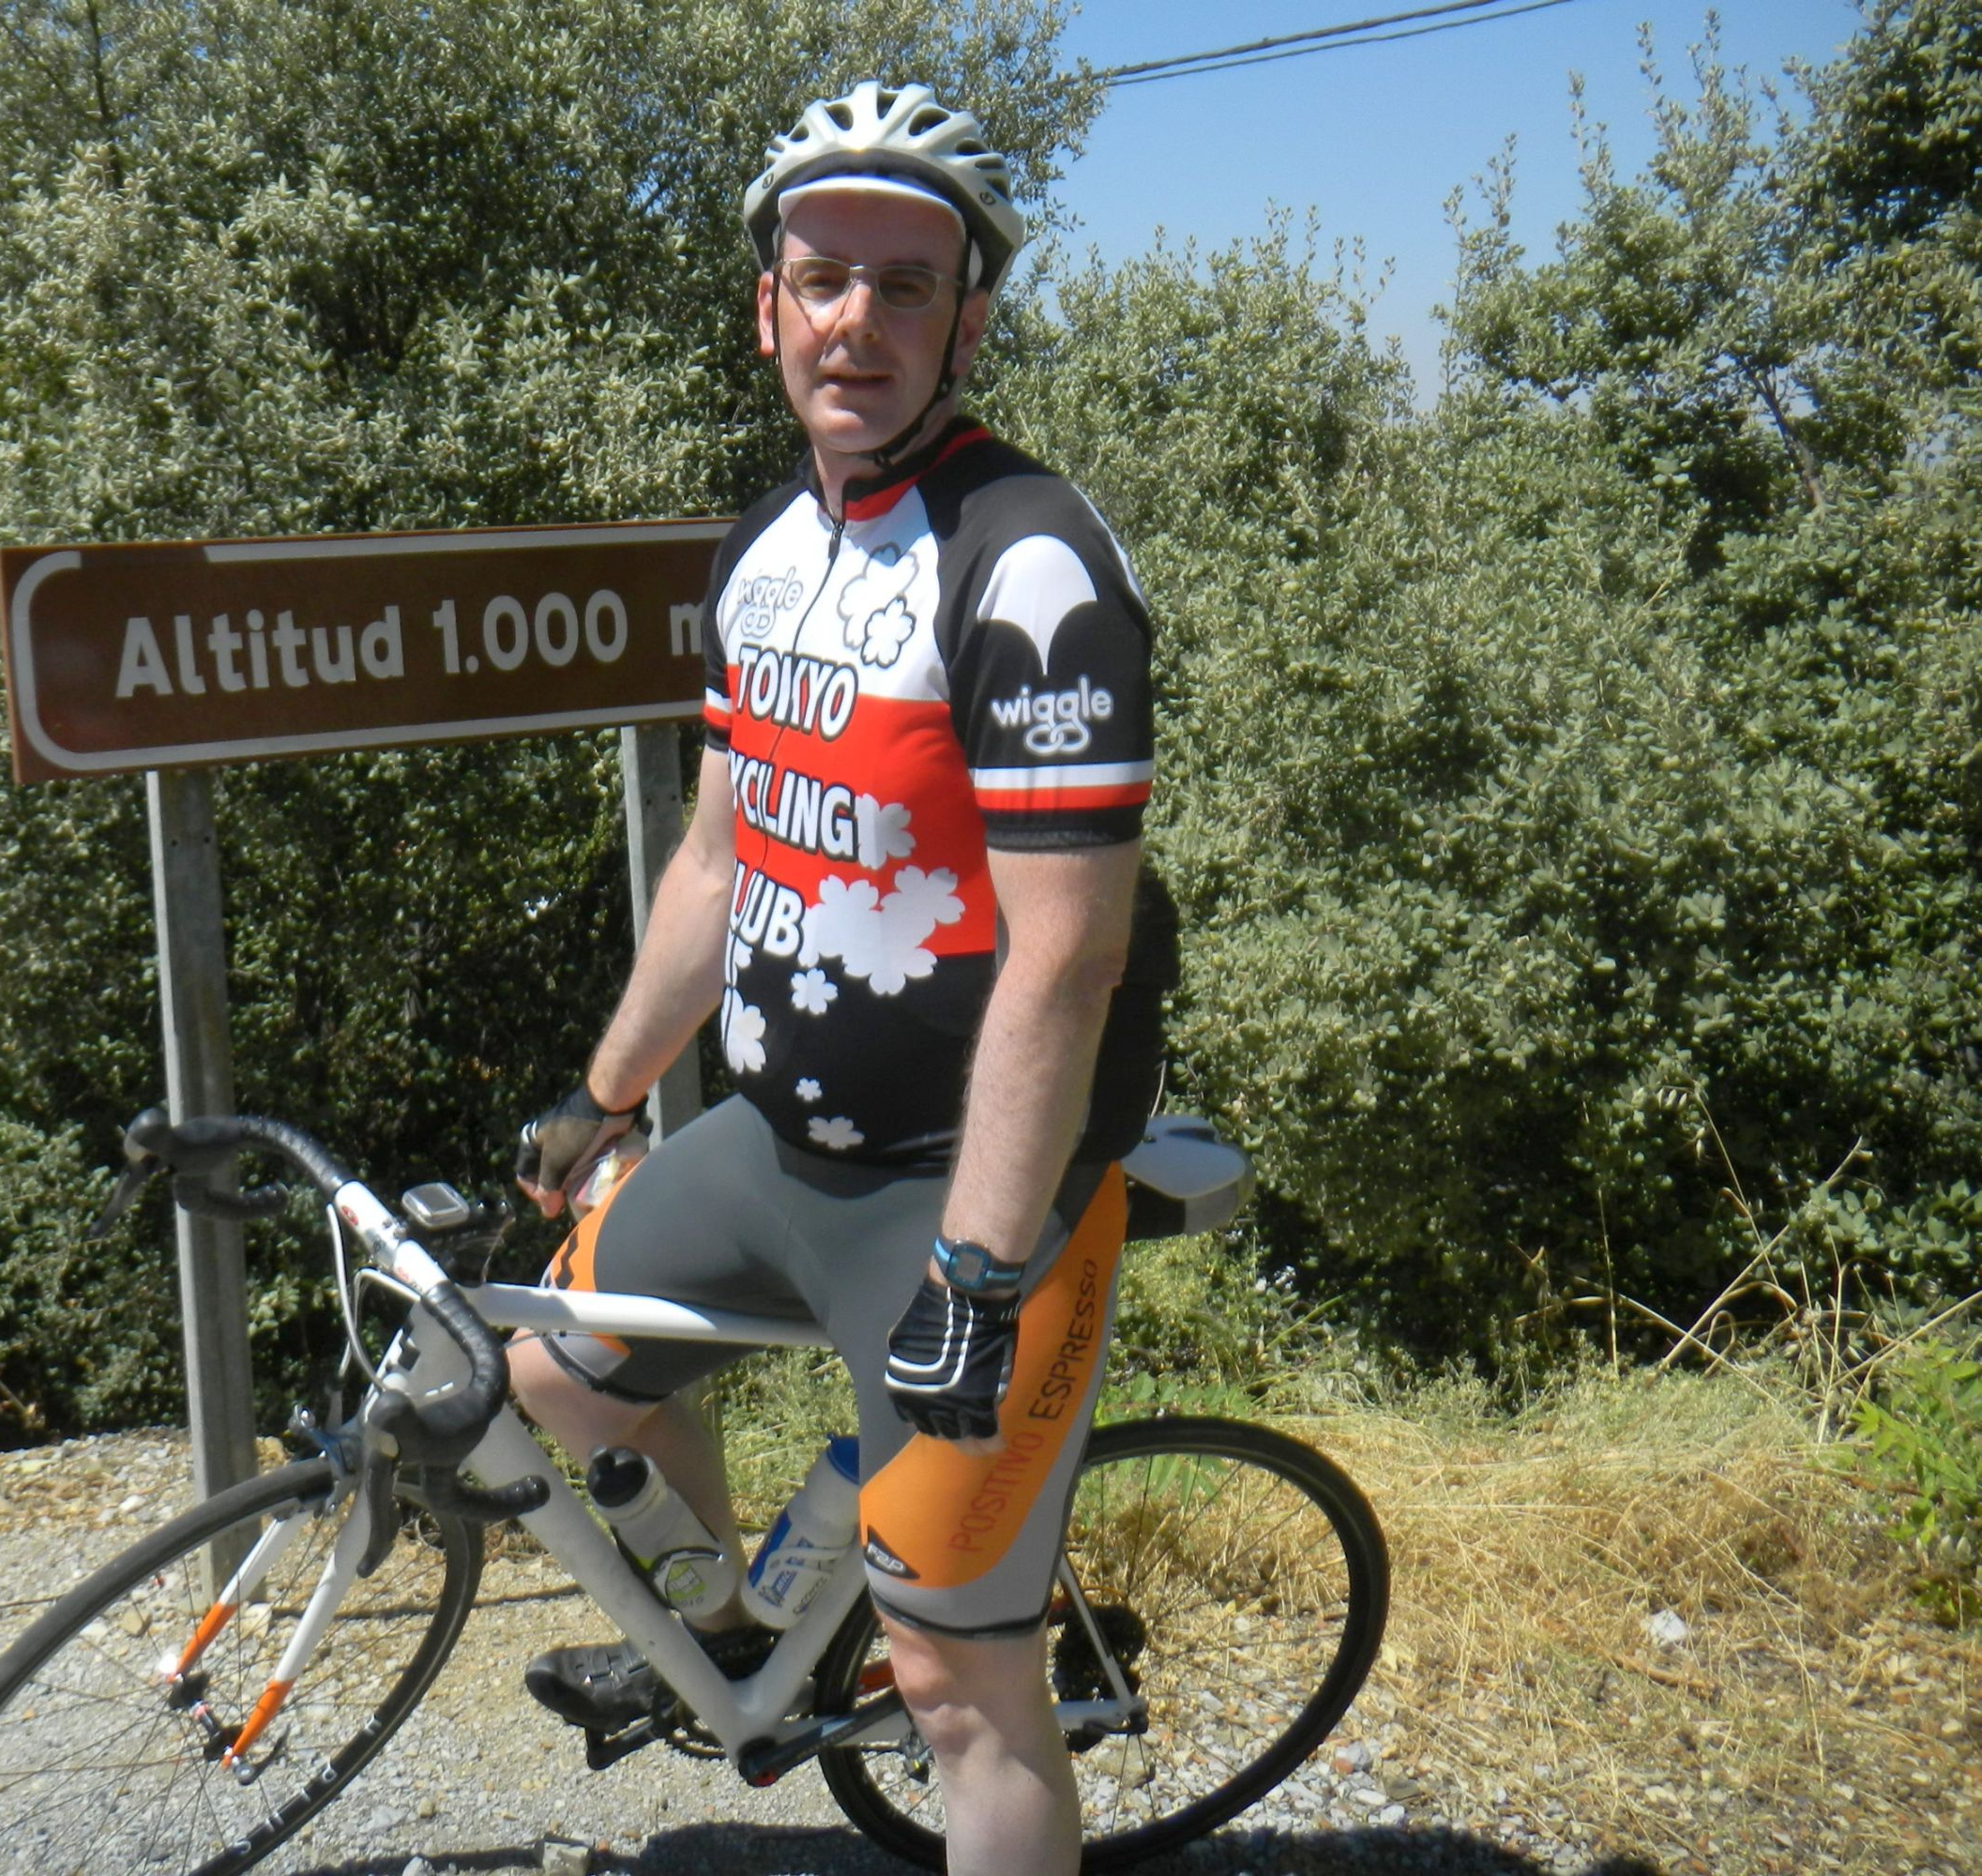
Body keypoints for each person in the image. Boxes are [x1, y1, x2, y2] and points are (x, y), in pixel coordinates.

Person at [506, 80, 1173, 1876]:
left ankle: (915, 1669)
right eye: (823, 281)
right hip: (777, 1143)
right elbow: (719, 862)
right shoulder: (766, 549)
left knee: (958, 1680)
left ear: (969, 319)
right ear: (768, 308)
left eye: (905, 285)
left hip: (964, 1195)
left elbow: (1070, 955)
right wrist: (606, 1093)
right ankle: (742, 1633)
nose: (857, 322)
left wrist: (982, 1267)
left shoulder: (1028, 563)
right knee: (557, 1378)